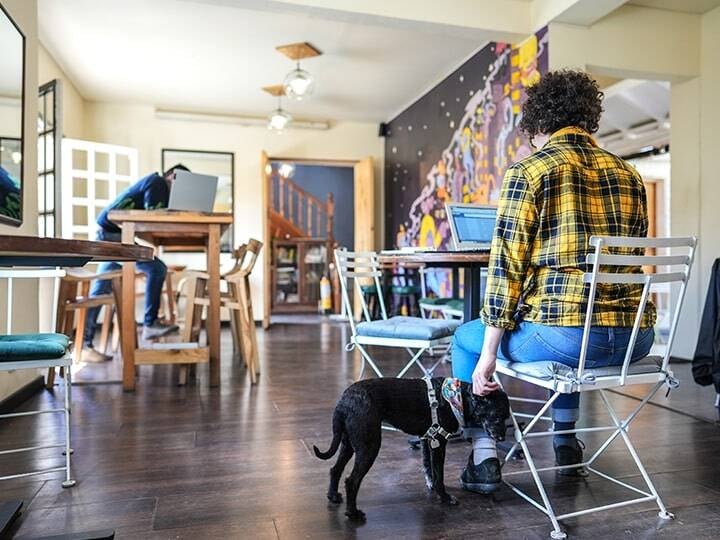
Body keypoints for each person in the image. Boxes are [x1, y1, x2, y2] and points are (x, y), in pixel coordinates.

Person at [452, 70, 655, 494]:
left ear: (539, 123)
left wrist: (488, 354)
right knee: (571, 332)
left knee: (464, 338)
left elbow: (506, 270)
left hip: (569, 341)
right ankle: (566, 446)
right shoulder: (629, 175)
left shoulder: (529, 172)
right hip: (636, 339)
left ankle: (485, 455)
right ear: (588, 117)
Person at [80, 164, 190, 363]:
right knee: (156, 268)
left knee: (102, 289)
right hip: (113, 235)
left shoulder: (156, 186)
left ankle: (83, 345)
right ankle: (149, 324)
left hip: (113, 234)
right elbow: (152, 218)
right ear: (173, 176)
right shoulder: (157, 183)